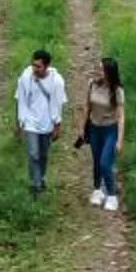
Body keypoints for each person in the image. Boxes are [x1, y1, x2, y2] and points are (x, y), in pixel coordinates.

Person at [14, 49, 67, 196]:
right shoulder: (26, 77)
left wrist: (57, 126)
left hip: (47, 123)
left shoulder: (57, 81)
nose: (35, 69)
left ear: (47, 66)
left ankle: (41, 177)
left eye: (38, 66)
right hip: (30, 121)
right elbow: (20, 99)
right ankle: (36, 184)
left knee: (43, 154)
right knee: (33, 153)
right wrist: (19, 122)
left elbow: (58, 104)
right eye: (33, 65)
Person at [77, 55, 125, 210]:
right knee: (96, 161)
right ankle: (97, 190)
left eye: (100, 69)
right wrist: (81, 128)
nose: (97, 71)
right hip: (94, 127)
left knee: (105, 162)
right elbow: (87, 107)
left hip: (110, 129)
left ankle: (111, 194)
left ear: (108, 72)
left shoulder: (117, 90)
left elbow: (121, 116)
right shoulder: (92, 84)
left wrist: (119, 139)